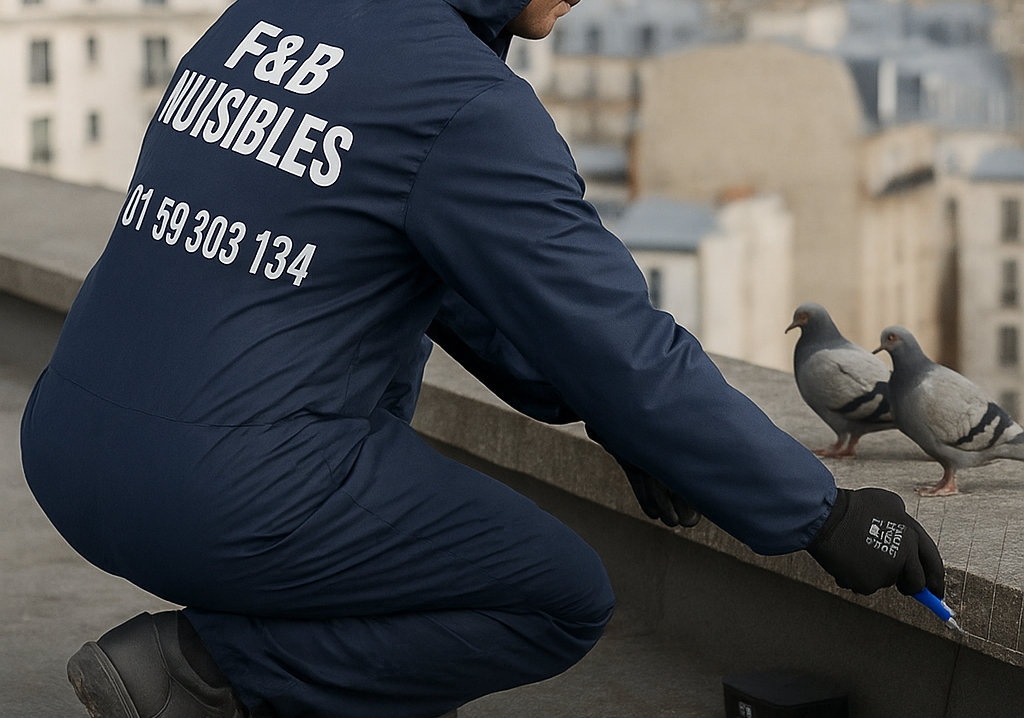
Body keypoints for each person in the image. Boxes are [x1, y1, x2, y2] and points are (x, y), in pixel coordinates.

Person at [19, 0, 945, 716]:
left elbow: (461, 282)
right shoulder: (459, 101)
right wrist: (824, 515)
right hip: (222, 496)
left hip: (66, 446)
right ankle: (204, 669)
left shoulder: (262, 18)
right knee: (555, 596)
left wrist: (623, 423)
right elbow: (621, 345)